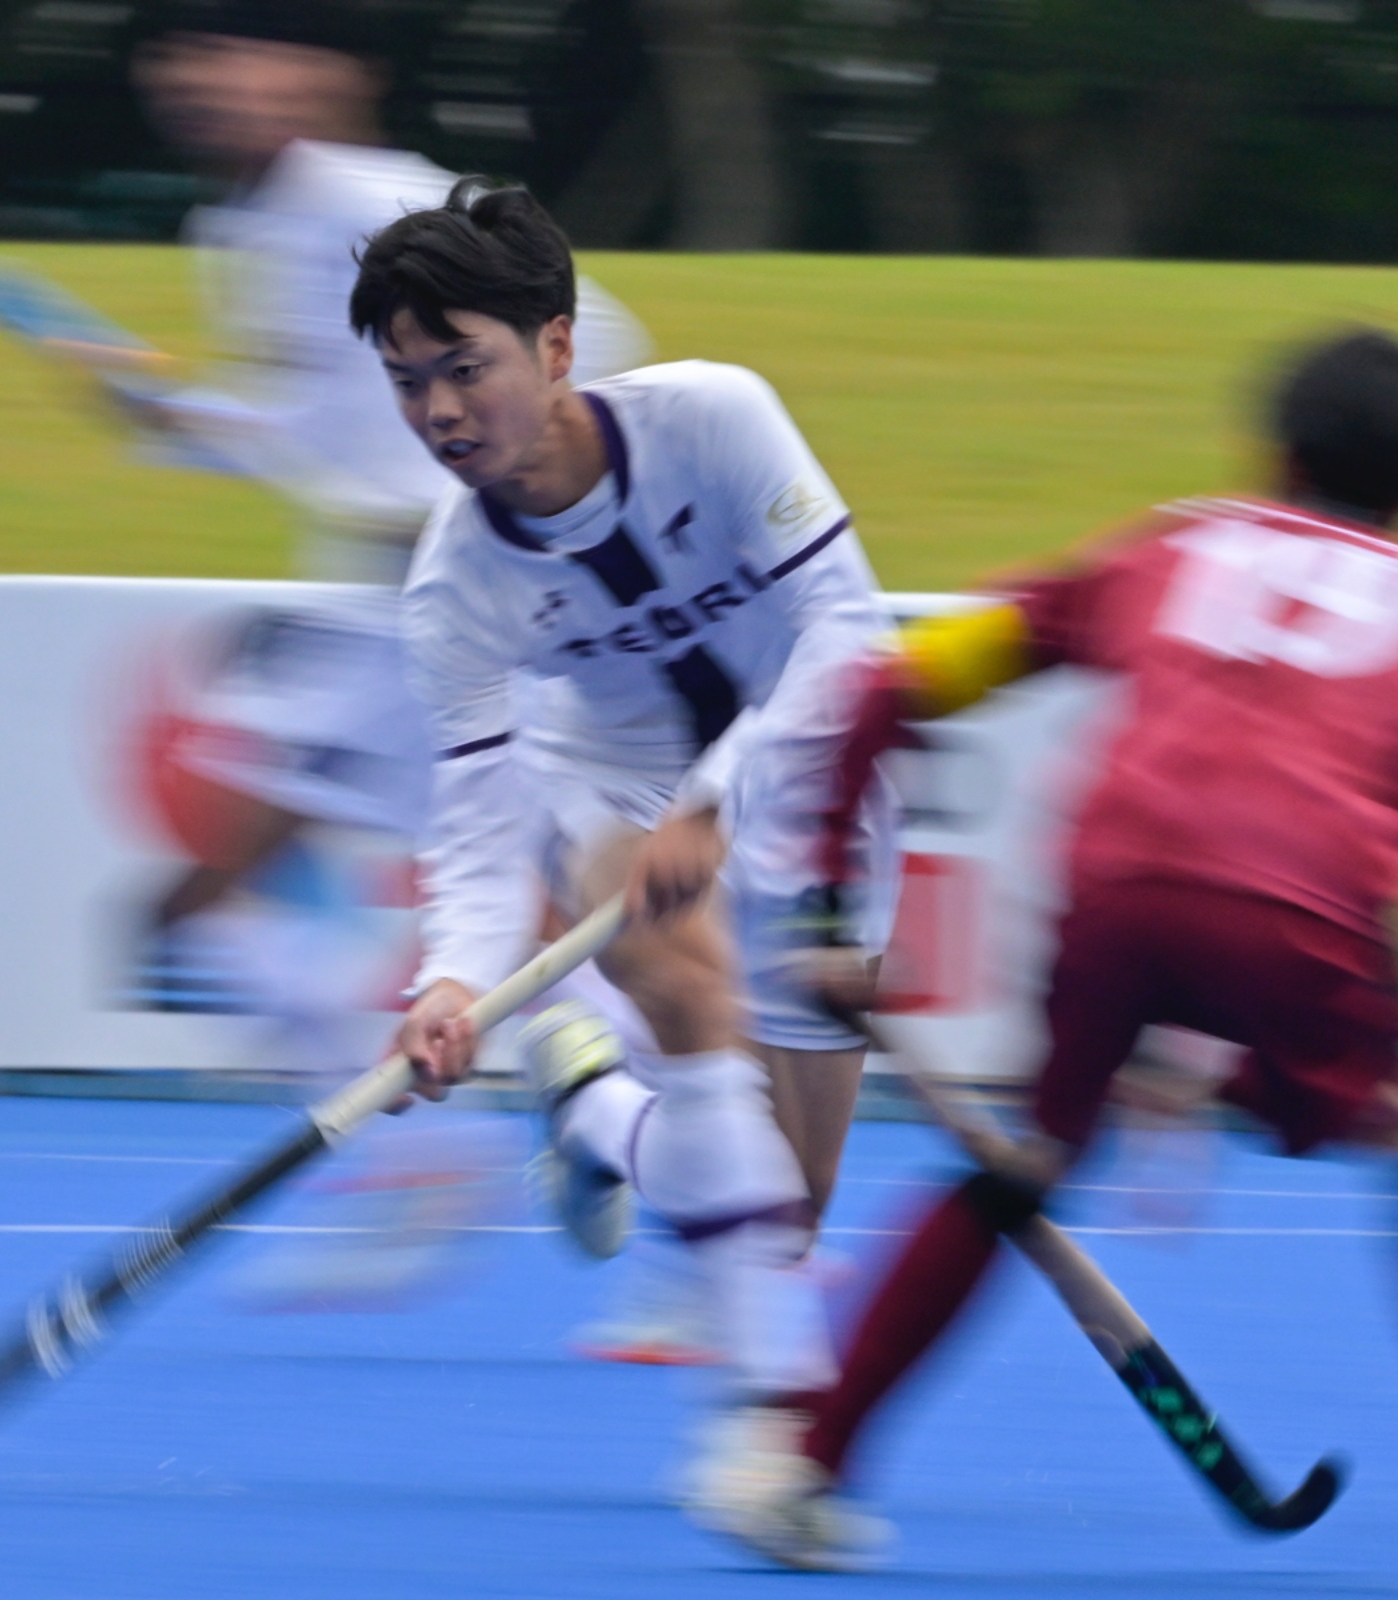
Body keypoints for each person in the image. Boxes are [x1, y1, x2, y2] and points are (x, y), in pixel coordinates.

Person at [704, 329, 1398, 1589]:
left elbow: (887, 688)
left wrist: (827, 910)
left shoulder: (1167, 547)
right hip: (1306, 904)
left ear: (1276, 454)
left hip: (1110, 881)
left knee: (1032, 1157)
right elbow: (1369, 880)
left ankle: (800, 1467)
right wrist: (1226, 1066)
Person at [355, 177, 898, 1527]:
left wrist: (717, 801)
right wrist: (449, 982)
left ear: (555, 346)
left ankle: (594, 1105)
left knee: (788, 1201)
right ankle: (769, 1439)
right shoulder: (453, 588)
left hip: (812, 776)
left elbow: (848, 635)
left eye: (463, 367)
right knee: (695, 994)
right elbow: (480, 821)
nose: (438, 413)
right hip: (609, 781)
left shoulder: (715, 416)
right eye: (408, 382)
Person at [111, 0, 647, 1002]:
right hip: (402, 594)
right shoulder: (248, 222)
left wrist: (529, 493)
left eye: (244, 58)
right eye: (187, 61)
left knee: (205, 899)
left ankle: (631, 1074)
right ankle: (620, 1077)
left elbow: (603, 342)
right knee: (533, 903)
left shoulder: (372, 207)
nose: (210, 85)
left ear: (335, 79)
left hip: (467, 590)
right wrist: (173, 418)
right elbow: (320, 429)